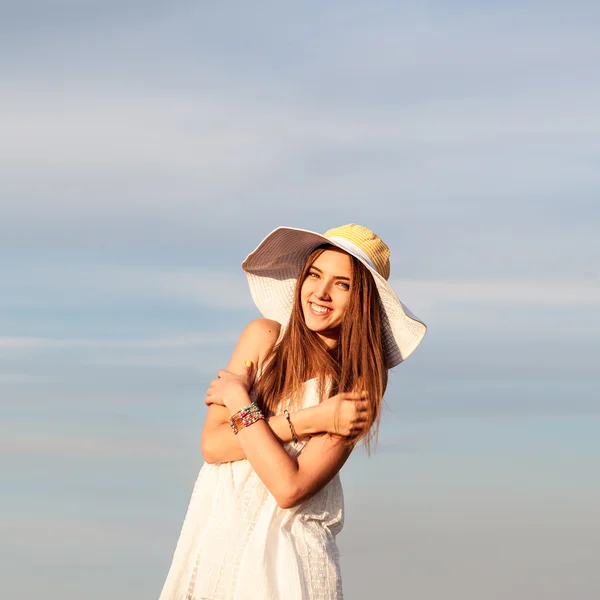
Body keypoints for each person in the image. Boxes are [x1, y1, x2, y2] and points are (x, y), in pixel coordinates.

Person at [158, 224, 427, 600]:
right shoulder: (262, 338)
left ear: (362, 300)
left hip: (288, 562)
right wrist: (307, 420)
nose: (321, 292)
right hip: (218, 548)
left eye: (342, 284)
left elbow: (289, 488)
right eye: (315, 275)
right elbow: (213, 446)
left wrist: (241, 403)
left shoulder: (358, 386)